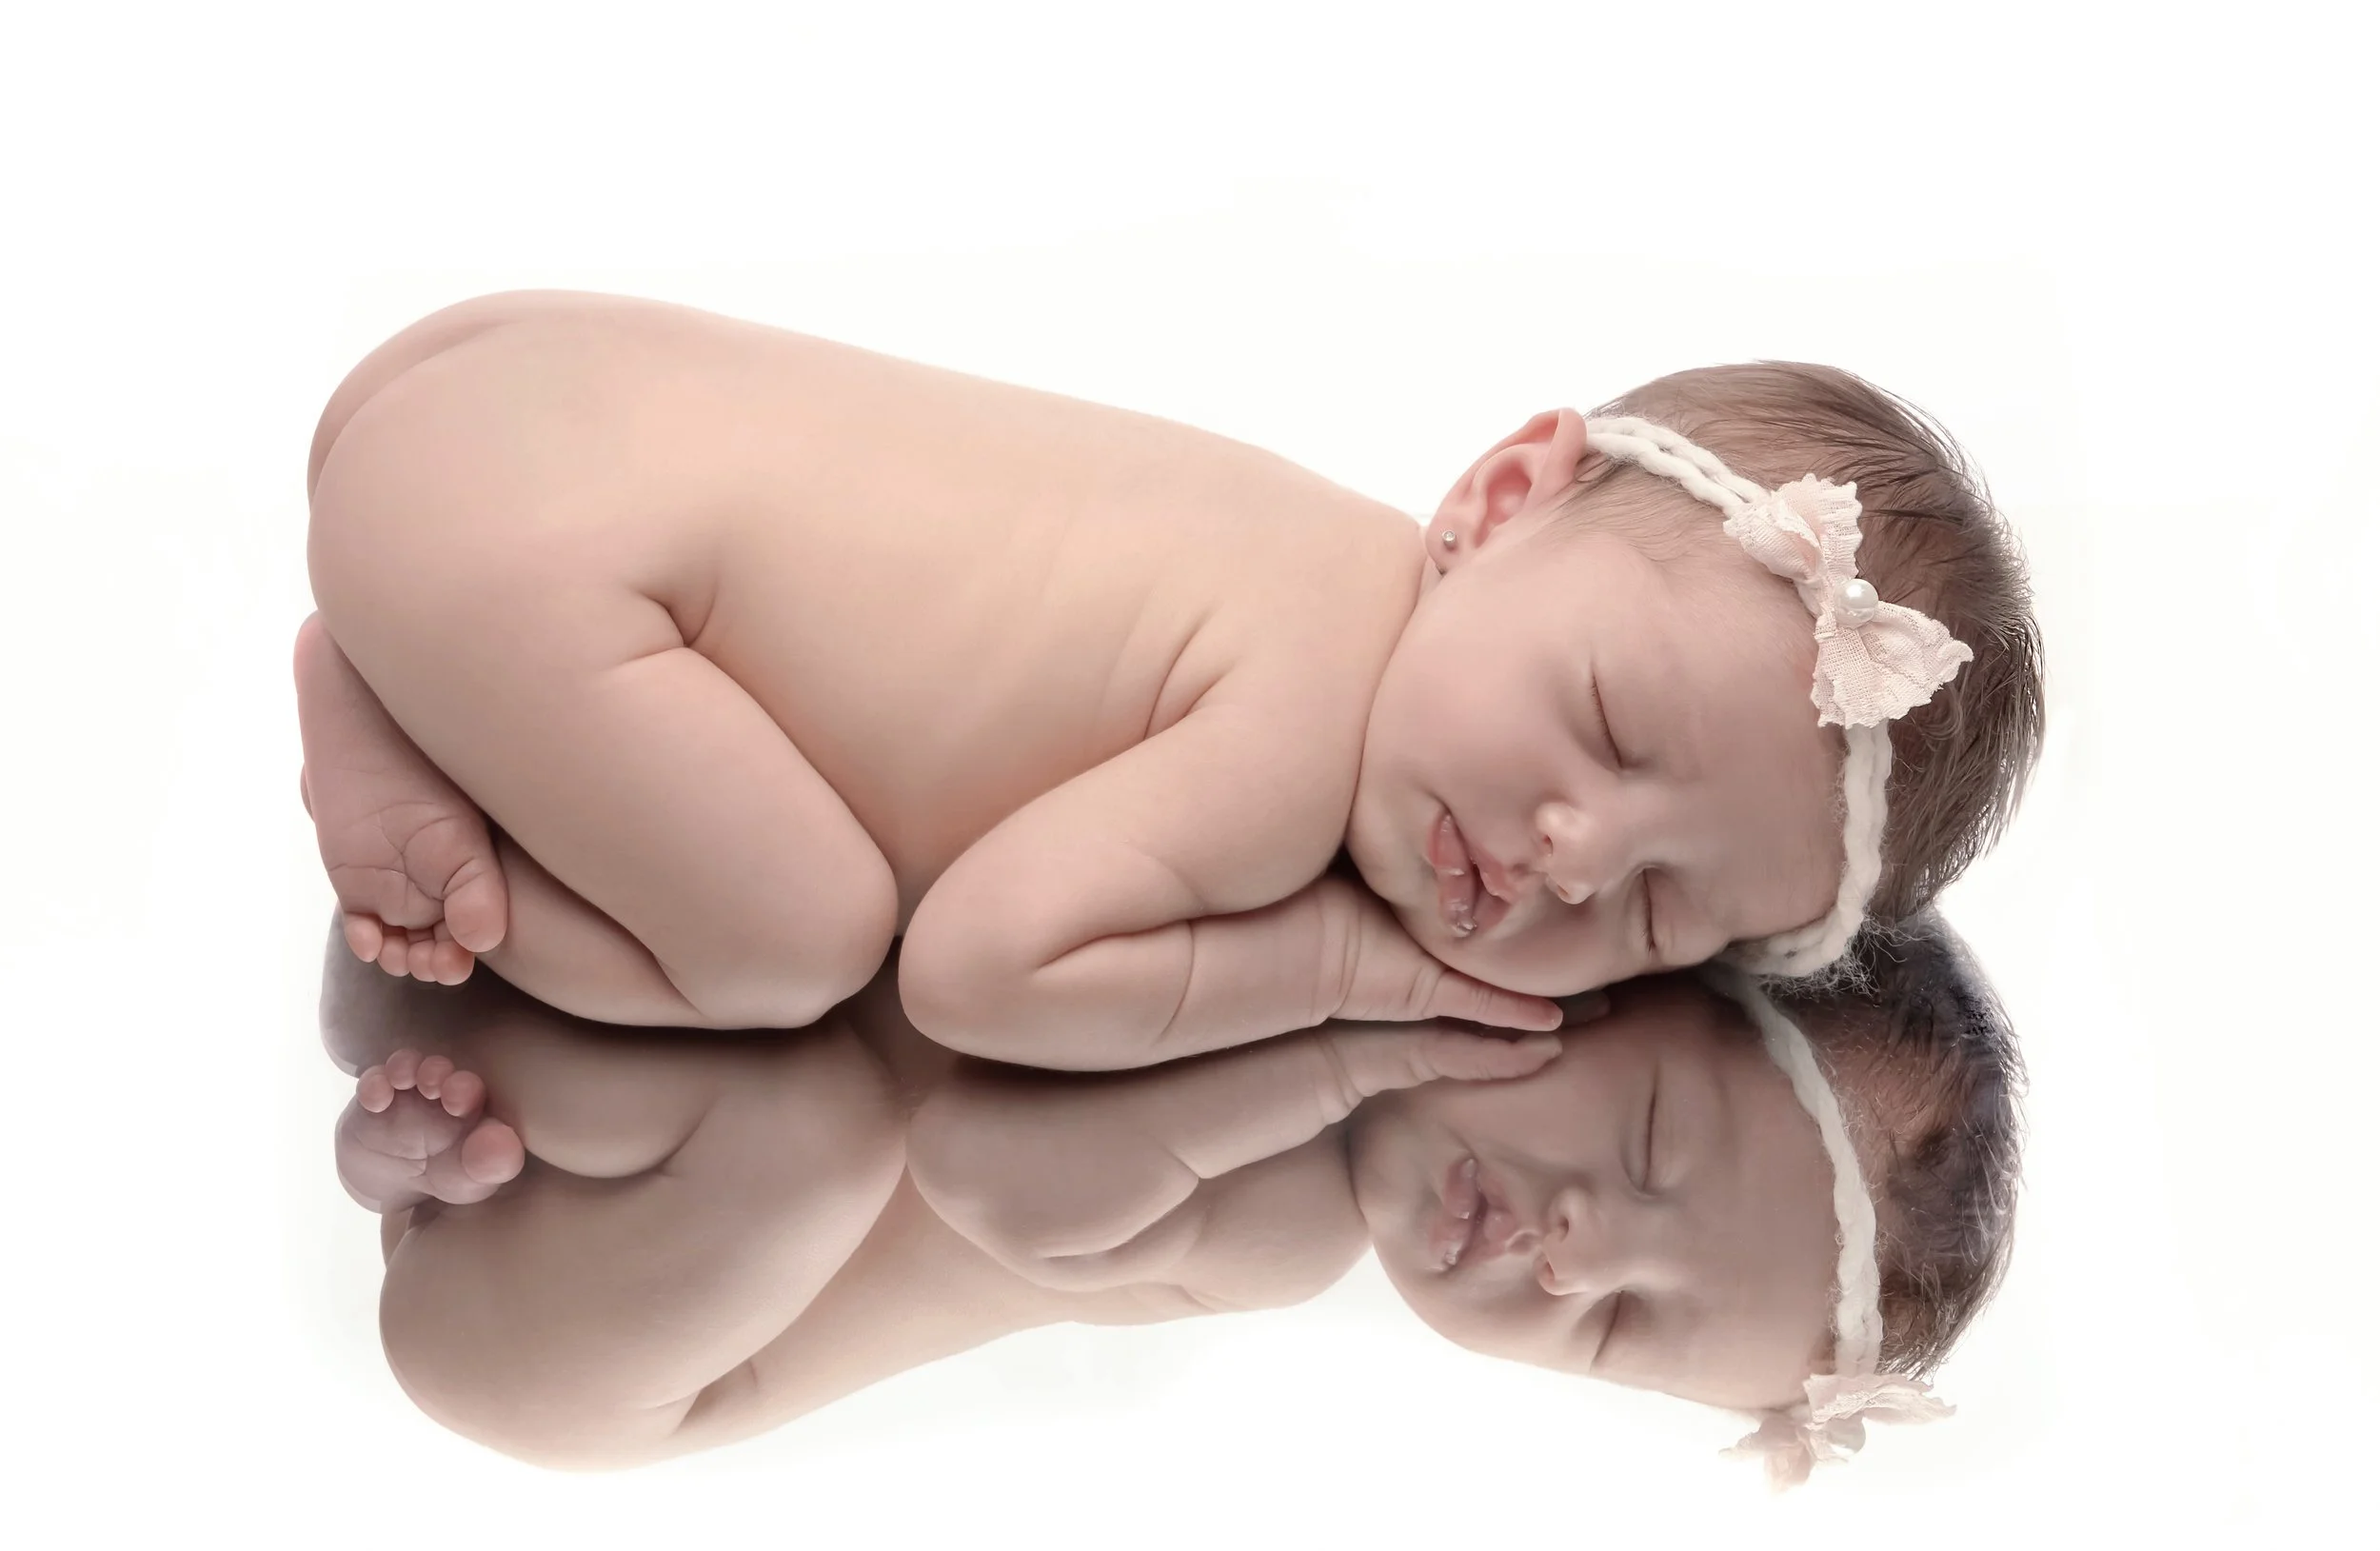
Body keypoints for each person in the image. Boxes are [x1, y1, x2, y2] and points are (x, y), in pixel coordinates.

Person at [296, 291, 2041, 1070]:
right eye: (1607, 726)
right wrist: (1341, 973)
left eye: (1659, 910)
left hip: (505, 378)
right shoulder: (1298, 717)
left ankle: (417, 656)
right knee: (792, 943)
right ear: (1496, 501)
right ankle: (427, 773)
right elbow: (983, 974)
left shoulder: (1311, 548)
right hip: (524, 542)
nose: (1577, 854)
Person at [327, 909, 2020, 1488]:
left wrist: (1348, 1052)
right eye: (1651, 1146)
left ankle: (447, 1147)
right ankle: (417, 1097)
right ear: (1603, 972)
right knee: (647, 977)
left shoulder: (1275, 1220)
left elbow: (987, 1158)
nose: (1582, 1251)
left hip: (601, 1354)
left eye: (1624, 1329)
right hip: (627, 1105)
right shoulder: (1308, 912)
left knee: (819, 1127)